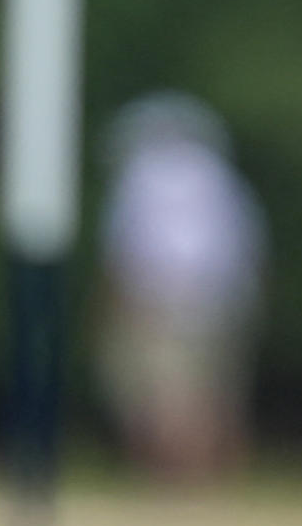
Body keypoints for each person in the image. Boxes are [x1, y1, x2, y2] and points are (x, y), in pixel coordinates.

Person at [96, 92, 266, 482]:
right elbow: (249, 247)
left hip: (159, 299)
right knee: (215, 392)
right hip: (224, 300)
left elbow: (128, 248)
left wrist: (117, 303)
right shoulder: (221, 178)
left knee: (166, 393)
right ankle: (212, 480)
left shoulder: (142, 177)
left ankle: (175, 482)